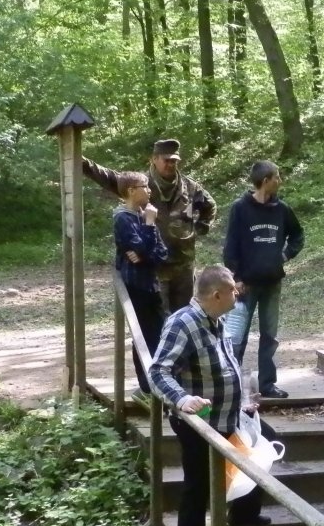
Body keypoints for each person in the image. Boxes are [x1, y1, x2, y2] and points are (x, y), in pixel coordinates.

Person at [149, 265, 272, 526]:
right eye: (233, 289)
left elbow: (226, 366)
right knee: (198, 487)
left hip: (228, 416)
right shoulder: (183, 323)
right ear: (217, 295)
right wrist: (181, 399)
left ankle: (244, 515)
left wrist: (243, 402)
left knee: (261, 451)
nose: (238, 292)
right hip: (200, 424)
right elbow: (158, 372)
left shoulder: (217, 320)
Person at [83, 139, 218, 313]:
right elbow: (108, 177)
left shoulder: (190, 187)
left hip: (183, 264)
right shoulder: (141, 185)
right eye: (166, 160)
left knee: (183, 314)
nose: (171, 164)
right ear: (154, 159)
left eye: (174, 160)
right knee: (158, 315)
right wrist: (83, 163)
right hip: (155, 264)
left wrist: (201, 227)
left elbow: (210, 205)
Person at [222, 160, 305, 400]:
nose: (280, 181)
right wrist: (235, 277)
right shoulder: (240, 208)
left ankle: (267, 384)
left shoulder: (282, 209)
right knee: (237, 338)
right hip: (245, 285)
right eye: (277, 177)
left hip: (272, 283)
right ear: (265, 181)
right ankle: (233, 384)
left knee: (270, 336)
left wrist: (285, 255)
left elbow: (297, 235)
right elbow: (231, 245)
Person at [111, 171, 169, 391]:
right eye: (145, 186)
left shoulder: (144, 214)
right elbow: (143, 247)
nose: (149, 190)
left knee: (160, 332)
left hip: (152, 285)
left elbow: (162, 253)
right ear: (131, 191)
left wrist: (143, 255)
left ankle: (160, 381)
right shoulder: (122, 218)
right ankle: (147, 386)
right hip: (135, 286)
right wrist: (150, 225)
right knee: (142, 335)